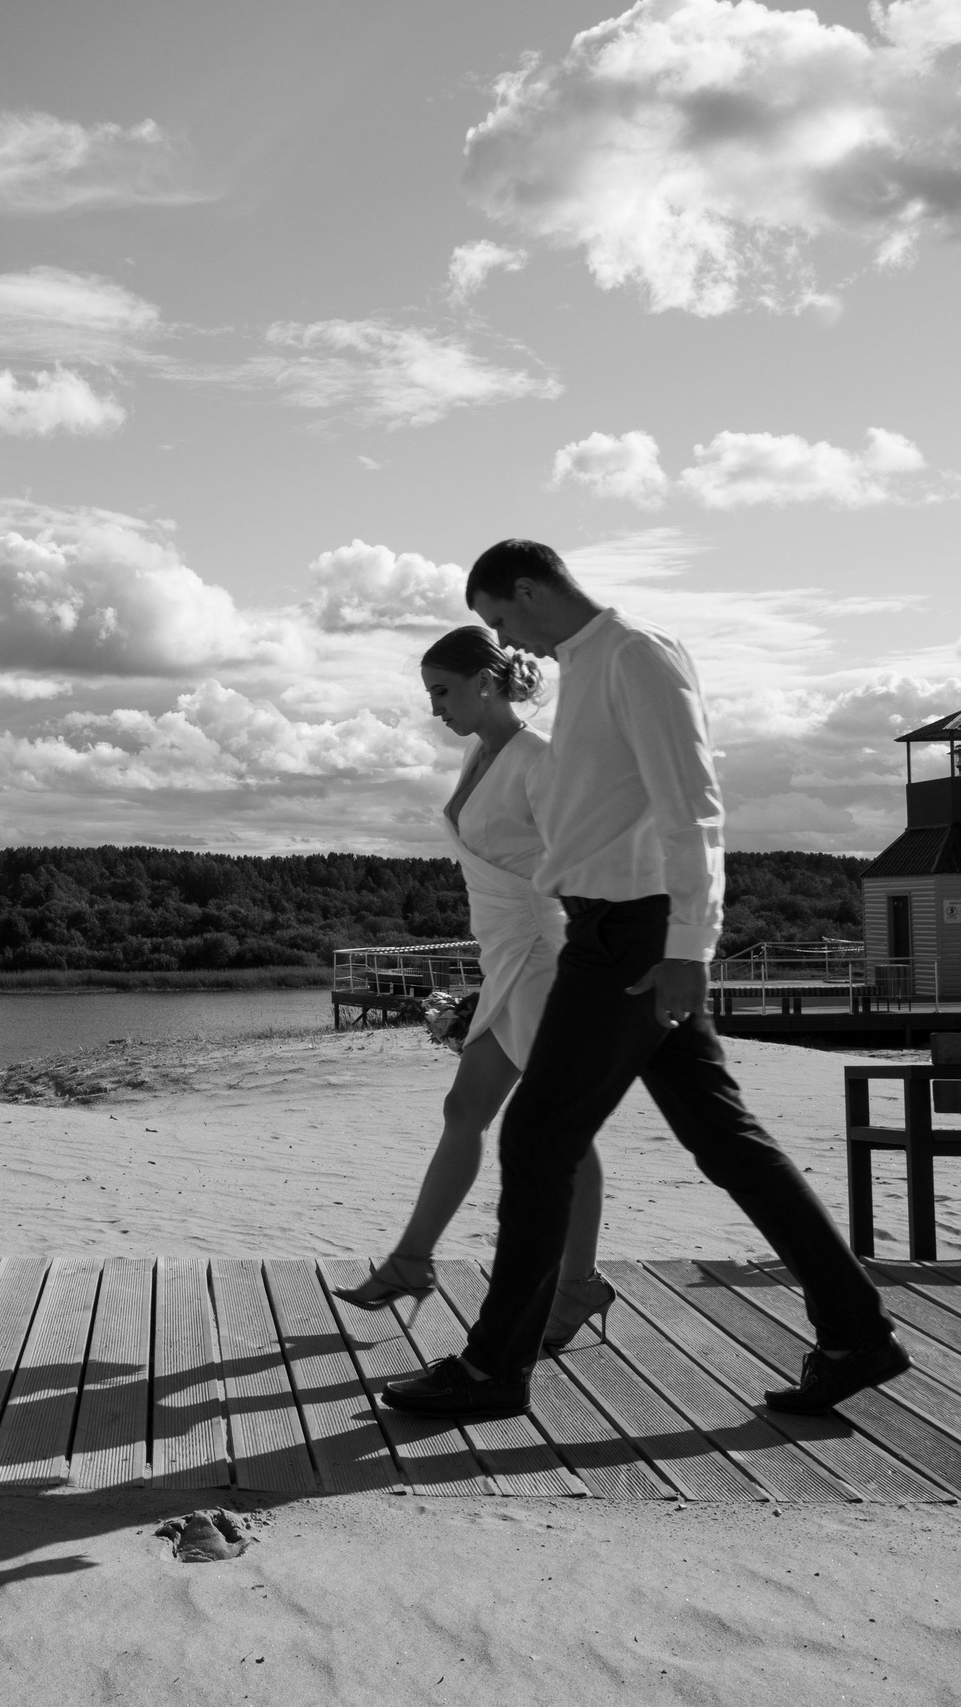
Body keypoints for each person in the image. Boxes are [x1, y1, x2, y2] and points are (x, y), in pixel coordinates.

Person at [384, 540, 909, 1421]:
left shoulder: (636, 655)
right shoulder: (587, 667)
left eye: (502, 619)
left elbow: (695, 805)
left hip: (633, 937)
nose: (508, 642)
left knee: (538, 1139)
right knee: (727, 1142)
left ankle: (492, 1368)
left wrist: (688, 948)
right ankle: (858, 1331)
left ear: (528, 589)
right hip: (611, 929)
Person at [330, 626, 612, 1352]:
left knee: (562, 1133)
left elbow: (584, 861)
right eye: (430, 693)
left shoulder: (539, 760)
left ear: (486, 681)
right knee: (467, 1108)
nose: (434, 708)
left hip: (548, 959)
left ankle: (575, 1281)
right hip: (507, 960)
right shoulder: (479, 752)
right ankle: (413, 1259)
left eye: (443, 690)